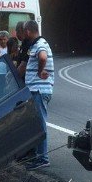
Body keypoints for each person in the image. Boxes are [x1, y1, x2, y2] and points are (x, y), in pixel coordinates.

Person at [22, 20, 53, 170]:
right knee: (37, 124)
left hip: (39, 90)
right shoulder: (36, 44)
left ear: (28, 31)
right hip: (36, 90)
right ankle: (38, 157)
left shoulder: (41, 43)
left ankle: (43, 159)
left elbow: (42, 57)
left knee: (40, 124)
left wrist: (40, 72)